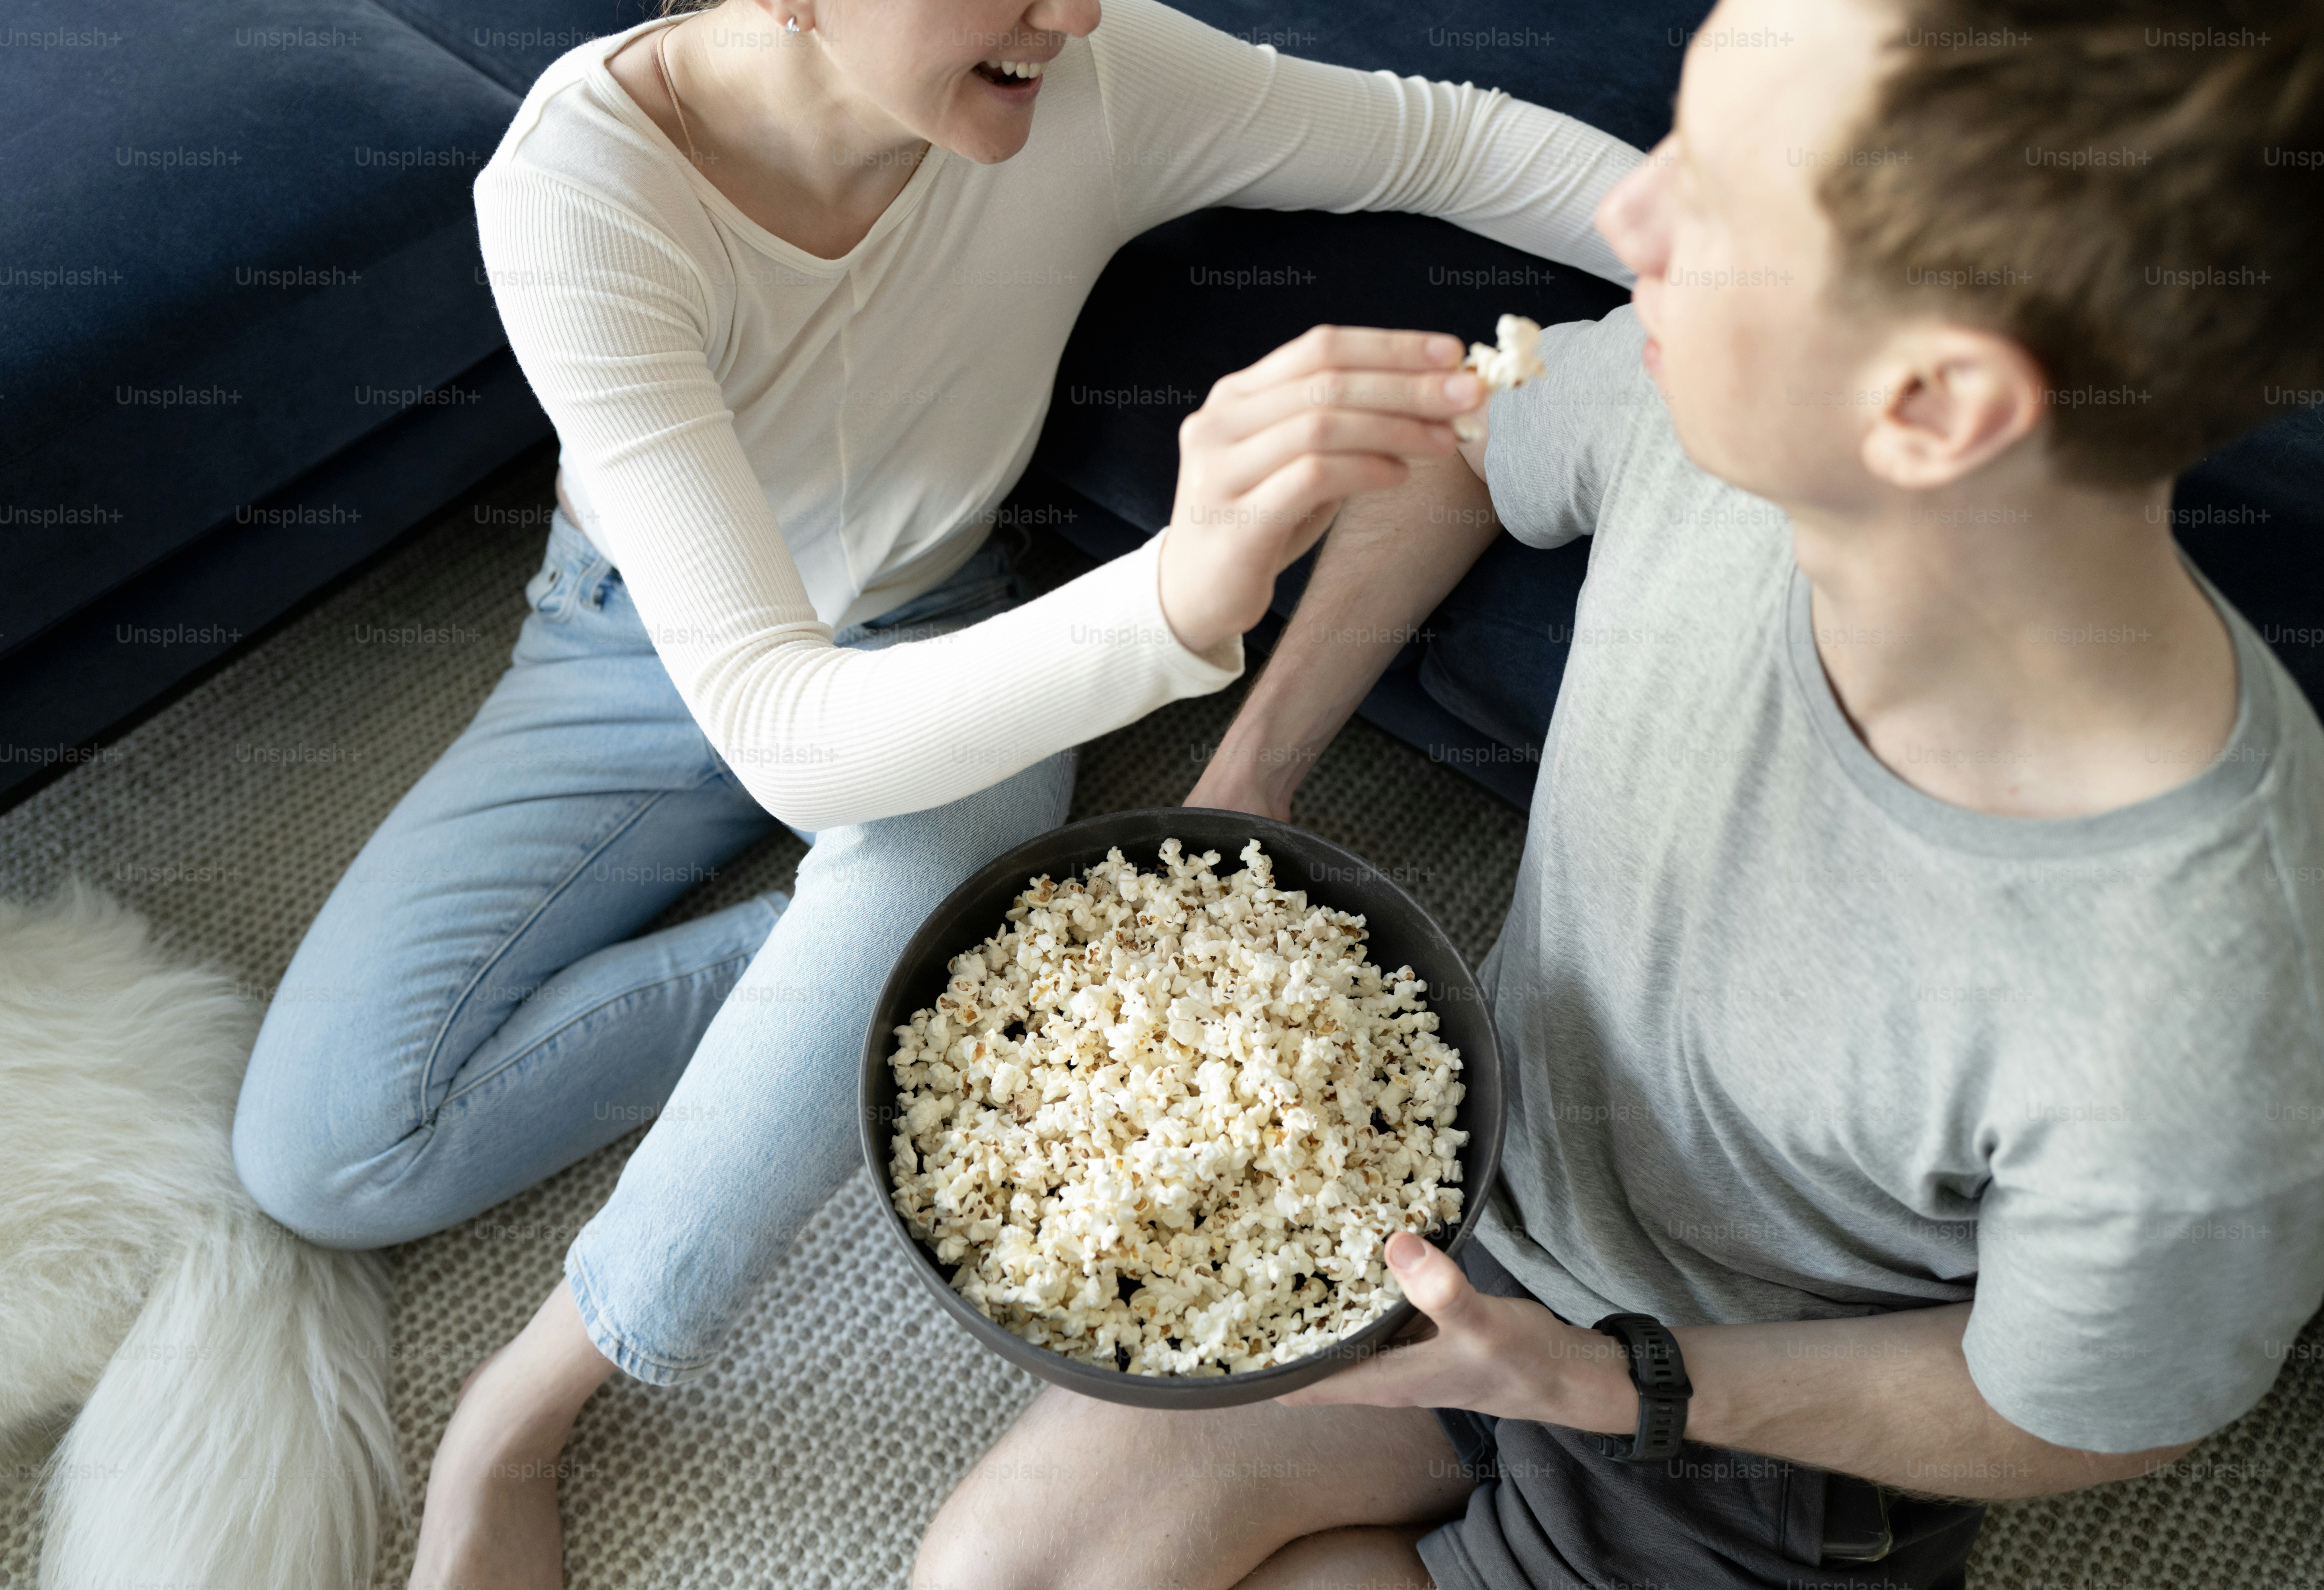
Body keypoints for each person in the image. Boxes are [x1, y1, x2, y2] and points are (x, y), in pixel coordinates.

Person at [224, 0, 1644, 1582]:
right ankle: (892, 956)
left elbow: (1440, 136)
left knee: (936, 863)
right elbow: (774, 716)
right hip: (637, 646)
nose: (1074, 10)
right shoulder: (580, 190)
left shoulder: (1090, 78)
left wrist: (1734, 272)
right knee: (325, 1155)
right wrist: (1180, 596)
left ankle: (524, 1405)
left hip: (958, 638)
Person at [914, 0, 2324, 1584]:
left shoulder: (2208, 1009)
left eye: (1711, 193)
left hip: (1753, 1441)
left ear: (1934, 406)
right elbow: (1461, 447)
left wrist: (1598, 1381)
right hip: (1469, 1199)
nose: (1623, 209)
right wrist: (1245, 785)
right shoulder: (1718, 407)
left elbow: (2088, 1419)